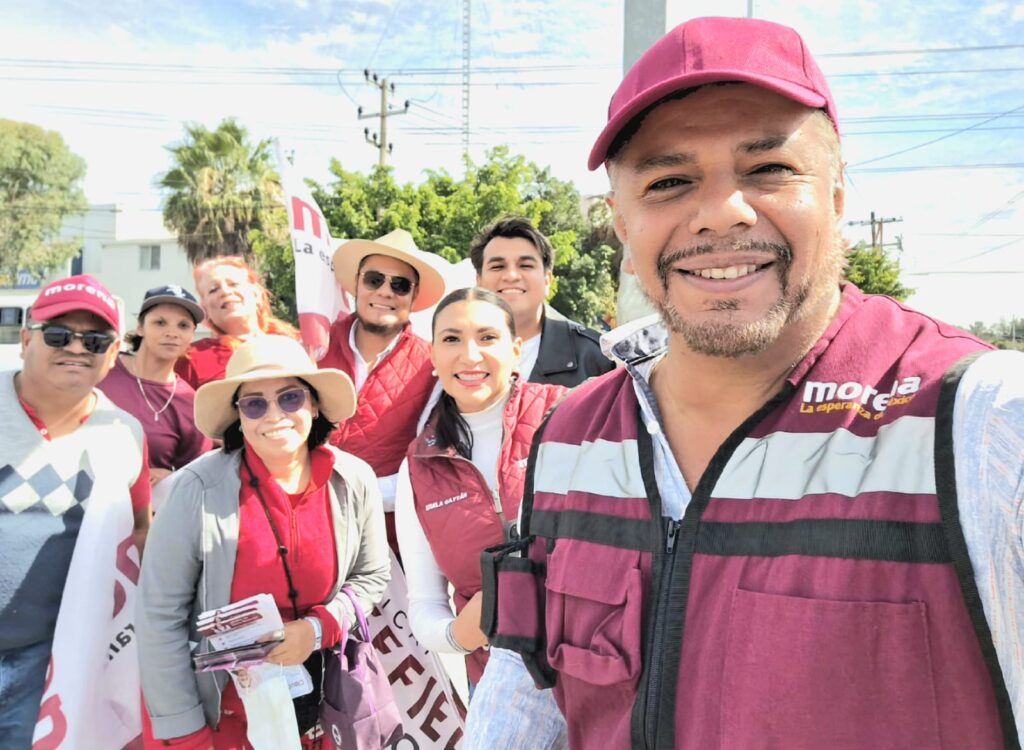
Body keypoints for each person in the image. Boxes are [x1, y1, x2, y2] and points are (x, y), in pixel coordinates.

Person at [488, 16, 1024, 750]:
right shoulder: (571, 437)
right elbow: (525, 702)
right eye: (670, 181)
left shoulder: (979, 423)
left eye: (768, 170)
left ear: (837, 196)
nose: (720, 212)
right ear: (621, 224)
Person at [137, 334, 390, 749]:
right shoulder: (195, 489)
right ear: (239, 417)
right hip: (227, 720)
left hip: (326, 709)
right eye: (255, 403)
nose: (274, 415)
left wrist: (319, 627)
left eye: (289, 398)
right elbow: (158, 615)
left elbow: (372, 575)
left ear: (313, 404)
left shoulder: (354, 478)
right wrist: (184, 731)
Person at [395, 287, 567, 749]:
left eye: (487, 337)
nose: (469, 354)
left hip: (595, 668)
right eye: (451, 339)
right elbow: (425, 606)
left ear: (515, 350)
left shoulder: (572, 415)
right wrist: (459, 633)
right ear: (433, 355)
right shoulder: (418, 468)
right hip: (497, 683)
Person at [0, 274, 151, 749]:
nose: (77, 348)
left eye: (96, 339)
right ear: (26, 340)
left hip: (48, 666)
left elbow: (139, 533)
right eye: (59, 335)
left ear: (113, 353)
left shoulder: (125, 434)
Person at [318, 228, 445, 551]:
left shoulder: (433, 364)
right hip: (307, 528)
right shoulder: (313, 346)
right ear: (357, 284)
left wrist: (358, 494)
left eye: (400, 284)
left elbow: (429, 463)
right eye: (374, 279)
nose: (386, 292)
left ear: (414, 297)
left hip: (387, 542)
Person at [470, 217, 613, 386]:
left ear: (547, 280)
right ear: (479, 281)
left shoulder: (595, 356)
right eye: (497, 267)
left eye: (525, 266)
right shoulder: (454, 353)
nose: (511, 276)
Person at [99, 285, 212, 490]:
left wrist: (173, 477)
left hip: (146, 516)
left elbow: (200, 477)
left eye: (183, 325)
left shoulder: (191, 402)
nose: (172, 333)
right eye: (160, 323)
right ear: (140, 327)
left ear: (192, 334)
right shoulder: (102, 370)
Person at [176, 255, 299, 390]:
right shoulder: (191, 358)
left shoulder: (299, 343)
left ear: (256, 293)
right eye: (213, 290)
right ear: (205, 309)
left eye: (234, 284)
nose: (225, 291)